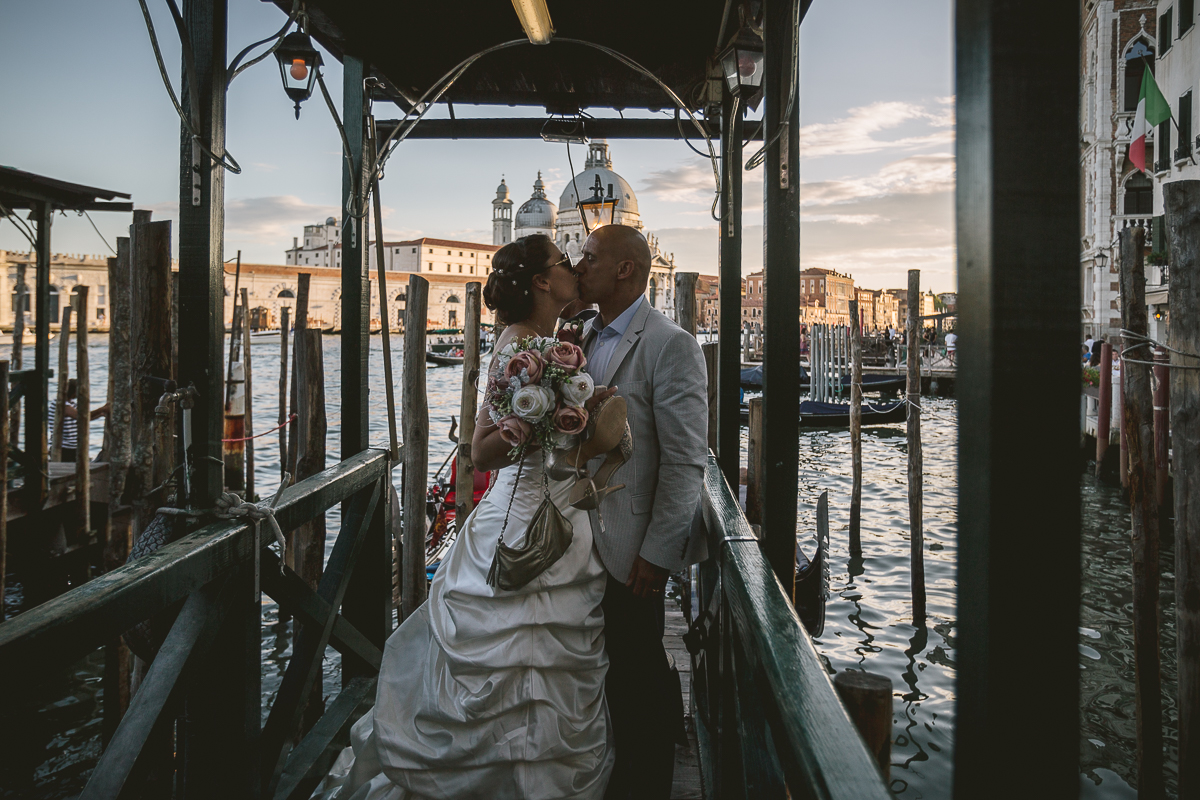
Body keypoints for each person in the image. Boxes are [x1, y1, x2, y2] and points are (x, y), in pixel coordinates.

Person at [313, 234, 615, 800]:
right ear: (543, 282)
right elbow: (480, 449)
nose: (573, 267)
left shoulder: (551, 343)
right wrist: (544, 424)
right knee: (517, 658)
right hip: (521, 517)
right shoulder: (521, 348)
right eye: (561, 262)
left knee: (545, 667)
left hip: (558, 514)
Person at [573, 225, 709, 799]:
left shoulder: (670, 343)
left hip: (632, 550)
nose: (580, 266)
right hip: (579, 542)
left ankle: (647, 784)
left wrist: (658, 554)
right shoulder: (581, 334)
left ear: (625, 270)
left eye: (591, 257)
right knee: (602, 675)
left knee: (639, 674)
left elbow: (685, 461)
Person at [47, 378, 109, 462]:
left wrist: (100, 414)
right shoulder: (61, 404)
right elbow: (79, 416)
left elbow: (85, 418)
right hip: (64, 448)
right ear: (73, 392)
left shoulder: (71, 403)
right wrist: (101, 409)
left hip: (73, 447)